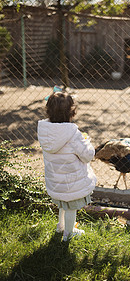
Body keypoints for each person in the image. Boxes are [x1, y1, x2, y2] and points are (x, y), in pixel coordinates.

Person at [37, 91, 96, 241]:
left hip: (56, 181)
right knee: (71, 208)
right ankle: (68, 235)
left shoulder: (45, 131)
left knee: (63, 204)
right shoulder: (73, 134)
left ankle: (60, 227)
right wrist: (86, 141)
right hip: (71, 181)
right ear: (72, 113)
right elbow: (87, 155)